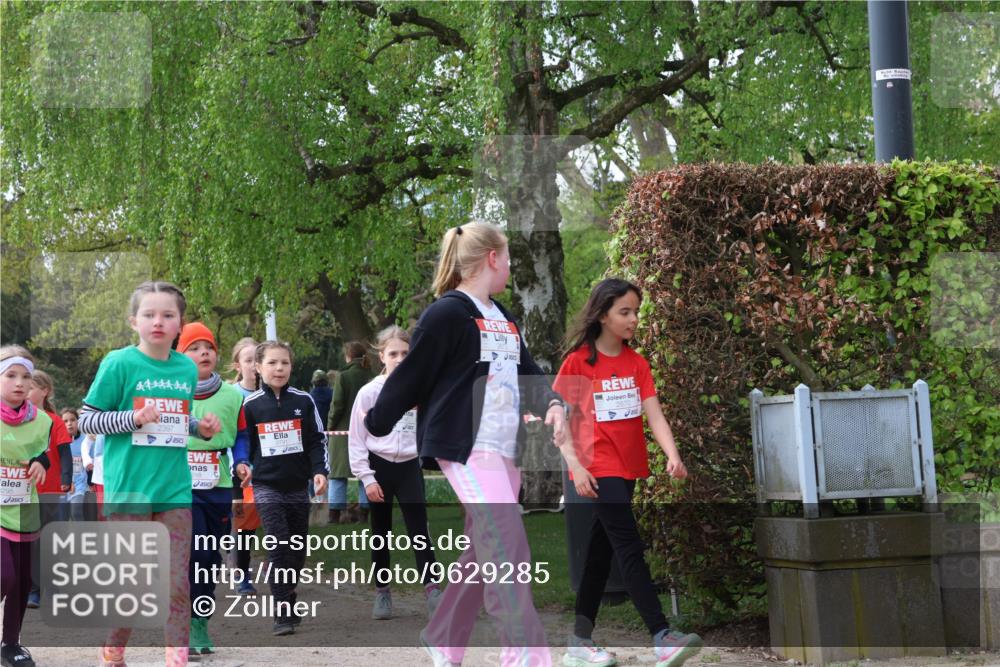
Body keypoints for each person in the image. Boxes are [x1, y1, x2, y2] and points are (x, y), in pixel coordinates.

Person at [365, 222, 568, 667]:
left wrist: (552, 403)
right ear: (492, 258)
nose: (512, 268)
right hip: (466, 448)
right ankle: (527, 658)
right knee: (508, 546)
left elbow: (527, 373)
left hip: (504, 449)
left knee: (486, 547)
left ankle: (442, 637)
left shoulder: (503, 316)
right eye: (509, 259)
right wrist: (375, 421)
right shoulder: (446, 314)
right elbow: (412, 375)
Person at [553, 278, 702, 667]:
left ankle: (578, 641)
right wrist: (576, 467)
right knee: (629, 547)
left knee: (601, 554)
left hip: (628, 467)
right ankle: (662, 635)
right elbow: (559, 425)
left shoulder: (637, 364)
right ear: (603, 315)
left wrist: (673, 455)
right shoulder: (578, 363)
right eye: (625, 312)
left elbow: (654, 413)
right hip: (598, 468)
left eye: (636, 311)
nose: (634, 318)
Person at [79, 280, 221, 667]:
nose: (158, 321)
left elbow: (174, 418)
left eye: (167, 315)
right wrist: (132, 418)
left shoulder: (185, 369)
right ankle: (113, 651)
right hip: (129, 492)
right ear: (134, 321)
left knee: (176, 584)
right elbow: (88, 421)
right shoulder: (119, 363)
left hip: (174, 490)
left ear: (180, 324)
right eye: (149, 314)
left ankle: (176, 660)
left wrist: (198, 428)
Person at [348, 326, 441, 621]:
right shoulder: (370, 392)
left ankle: (433, 590)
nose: (400, 359)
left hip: (409, 466)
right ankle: (383, 592)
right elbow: (356, 437)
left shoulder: (423, 388)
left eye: (405, 353)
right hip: (379, 467)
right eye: (393, 354)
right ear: (381, 357)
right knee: (381, 533)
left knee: (419, 531)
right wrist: (366, 476)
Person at [242, 340, 329, 636]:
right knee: (279, 544)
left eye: (285, 363)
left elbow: (317, 440)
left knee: (297, 548)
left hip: (297, 486)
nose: (279, 368)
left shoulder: (303, 401)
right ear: (258, 367)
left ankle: (288, 594)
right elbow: (244, 445)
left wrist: (319, 471)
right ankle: (281, 610)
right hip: (265, 486)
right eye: (272, 363)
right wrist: (241, 468)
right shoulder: (251, 406)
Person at [178, 323, 251, 655]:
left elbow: (243, 435)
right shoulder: (172, 392)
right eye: (193, 348)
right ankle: (188, 623)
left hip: (219, 484)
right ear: (179, 356)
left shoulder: (233, 396)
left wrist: (243, 461)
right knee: (196, 552)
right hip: (179, 483)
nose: (203, 352)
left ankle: (200, 620)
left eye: (207, 346)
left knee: (210, 556)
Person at [0, 345, 52, 667]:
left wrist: (40, 464)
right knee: (3, 576)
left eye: (26, 377)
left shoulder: (42, 421)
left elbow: (42, 453)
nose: (20, 383)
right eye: (11, 375)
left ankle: (10, 644)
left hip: (23, 510)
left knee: (21, 582)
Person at [25, 369, 72, 608]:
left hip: (52, 490)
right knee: (30, 542)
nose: (25, 390)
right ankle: (33, 591)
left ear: (45, 391)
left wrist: (66, 478)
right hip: (25, 491)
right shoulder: (19, 419)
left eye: (31, 386)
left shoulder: (54, 421)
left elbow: (65, 452)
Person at [328, 342, 373, 524]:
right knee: (365, 475)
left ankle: (334, 517)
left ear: (348, 357)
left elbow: (337, 405)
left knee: (337, 476)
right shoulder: (372, 376)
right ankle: (364, 516)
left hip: (342, 432)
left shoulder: (343, 377)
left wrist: (330, 426)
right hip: (368, 431)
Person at [229, 337, 260, 596]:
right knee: (243, 527)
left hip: (269, 469)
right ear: (238, 365)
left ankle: (283, 572)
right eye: (247, 360)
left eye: (256, 360)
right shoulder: (232, 396)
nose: (253, 365)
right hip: (237, 473)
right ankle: (243, 575)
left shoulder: (272, 393)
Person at [61, 408, 90, 521]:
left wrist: (90, 482)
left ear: (78, 421)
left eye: (72, 420)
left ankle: (82, 537)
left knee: (76, 511)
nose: (69, 423)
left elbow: (91, 463)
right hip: (64, 485)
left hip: (81, 485)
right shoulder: (59, 442)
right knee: (62, 517)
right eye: (65, 421)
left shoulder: (86, 440)